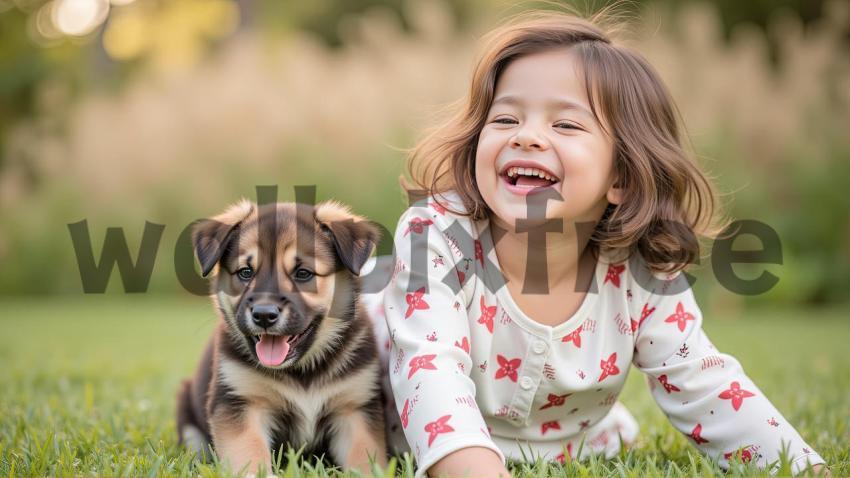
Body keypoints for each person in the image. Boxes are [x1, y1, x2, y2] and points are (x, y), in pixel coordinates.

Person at [377, 10, 827, 478]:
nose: (526, 136)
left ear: (623, 178)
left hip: (575, 445)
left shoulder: (640, 270)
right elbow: (431, 372)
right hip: (403, 433)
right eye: (506, 117)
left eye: (566, 126)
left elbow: (704, 384)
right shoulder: (438, 235)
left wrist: (802, 469)